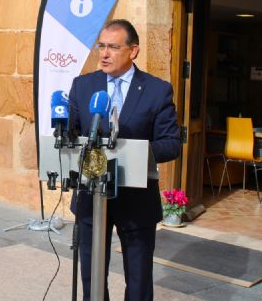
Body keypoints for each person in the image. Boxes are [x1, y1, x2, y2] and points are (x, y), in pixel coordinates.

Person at [68, 19, 181, 301]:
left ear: (133, 51)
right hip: (90, 198)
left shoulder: (157, 90)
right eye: (101, 46)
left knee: (139, 279)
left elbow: (171, 143)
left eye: (113, 47)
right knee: (91, 277)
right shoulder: (83, 86)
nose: (104, 53)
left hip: (136, 200)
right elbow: (70, 134)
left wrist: (132, 153)